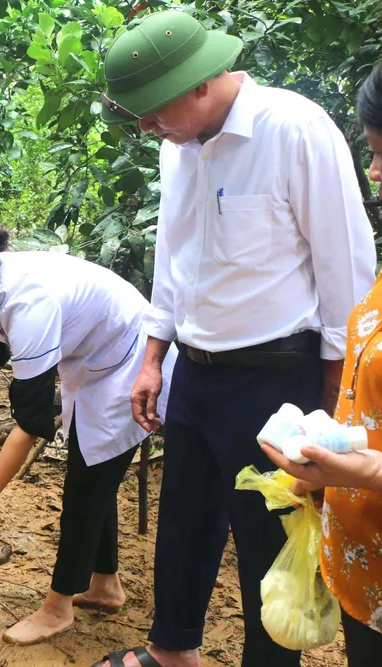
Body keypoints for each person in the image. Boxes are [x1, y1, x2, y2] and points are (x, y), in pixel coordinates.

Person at [96, 10, 376, 667]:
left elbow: (347, 266)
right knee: (186, 517)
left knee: (267, 538)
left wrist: (337, 390)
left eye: (153, 109)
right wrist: (153, 356)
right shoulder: (178, 147)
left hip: (276, 374)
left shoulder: (295, 130)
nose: (145, 125)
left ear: (199, 85)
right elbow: (176, 257)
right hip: (196, 369)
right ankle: (172, 649)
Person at [0, 226, 177, 645]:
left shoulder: (29, 304)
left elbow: (31, 425)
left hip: (127, 363)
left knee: (84, 488)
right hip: (90, 363)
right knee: (92, 472)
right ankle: (105, 584)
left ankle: (58, 607)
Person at [262, 64, 382, 667]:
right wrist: (328, 459)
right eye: (373, 152)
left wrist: (355, 472)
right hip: (365, 570)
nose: (375, 173)